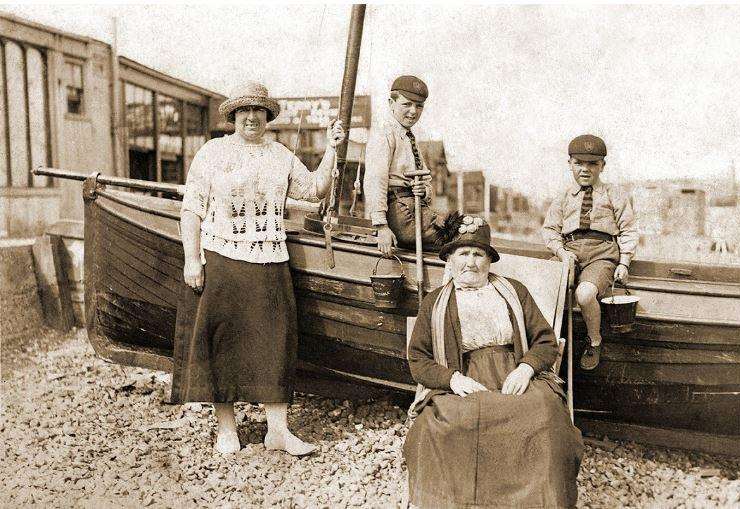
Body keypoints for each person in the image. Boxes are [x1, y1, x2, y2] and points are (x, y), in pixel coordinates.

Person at [171, 81, 346, 456]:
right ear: (233, 116)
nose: (252, 117)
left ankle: (278, 431)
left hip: (270, 259)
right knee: (223, 342)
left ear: (267, 117)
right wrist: (192, 257)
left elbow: (315, 190)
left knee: (276, 342)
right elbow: (192, 209)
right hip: (222, 258)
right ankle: (226, 429)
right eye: (245, 111)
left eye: (259, 111)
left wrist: (332, 149)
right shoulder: (213, 153)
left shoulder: (279, 154)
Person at [404, 215, 583, 508]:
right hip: (463, 376)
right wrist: (452, 379)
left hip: (514, 371)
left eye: (479, 254)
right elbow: (418, 360)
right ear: (449, 259)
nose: (471, 262)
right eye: (463, 253)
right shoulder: (435, 302)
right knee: (438, 426)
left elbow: (545, 341)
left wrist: (526, 368)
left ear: (489, 260)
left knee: (546, 417)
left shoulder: (514, 291)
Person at [541, 134, 638, 370]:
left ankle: (594, 341)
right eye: (578, 163)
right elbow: (550, 230)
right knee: (546, 292)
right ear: (570, 164)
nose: (585, 169)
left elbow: (628, 230)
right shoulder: (563, 197)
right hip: (569, 252)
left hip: (601, 254)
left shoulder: (614, 195)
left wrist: (624, 263)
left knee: (584, 294)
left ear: (603, 166)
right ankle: (542, 345)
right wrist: (562, 253)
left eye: (592, 164)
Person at [363, 75, 442, 256]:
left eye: (419, 106)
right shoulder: (384, 134)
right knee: (467, 232)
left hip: (414, 207)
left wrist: (424, 190)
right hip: (400, 215)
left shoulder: (407, 135)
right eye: (407, 104)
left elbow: (427, 181)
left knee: (469, 230)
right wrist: (381, 226)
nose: (413, 111)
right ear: (391, 103)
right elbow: (376, 180)